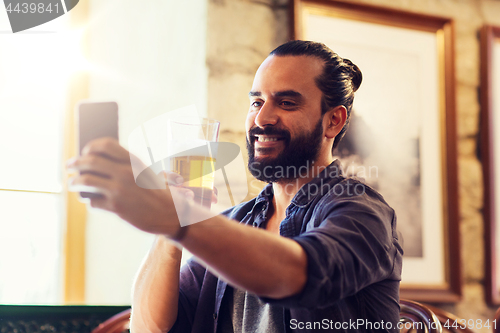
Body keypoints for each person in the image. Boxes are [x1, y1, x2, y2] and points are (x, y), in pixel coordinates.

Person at [68, 40, 403, 333]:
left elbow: (299, 274)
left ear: (334, 120)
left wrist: (176, 218)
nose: (262, 118)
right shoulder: (238, 221)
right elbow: (149, 327)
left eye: (286, 103)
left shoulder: (361, 212)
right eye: (257, 101)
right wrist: (170, 228)